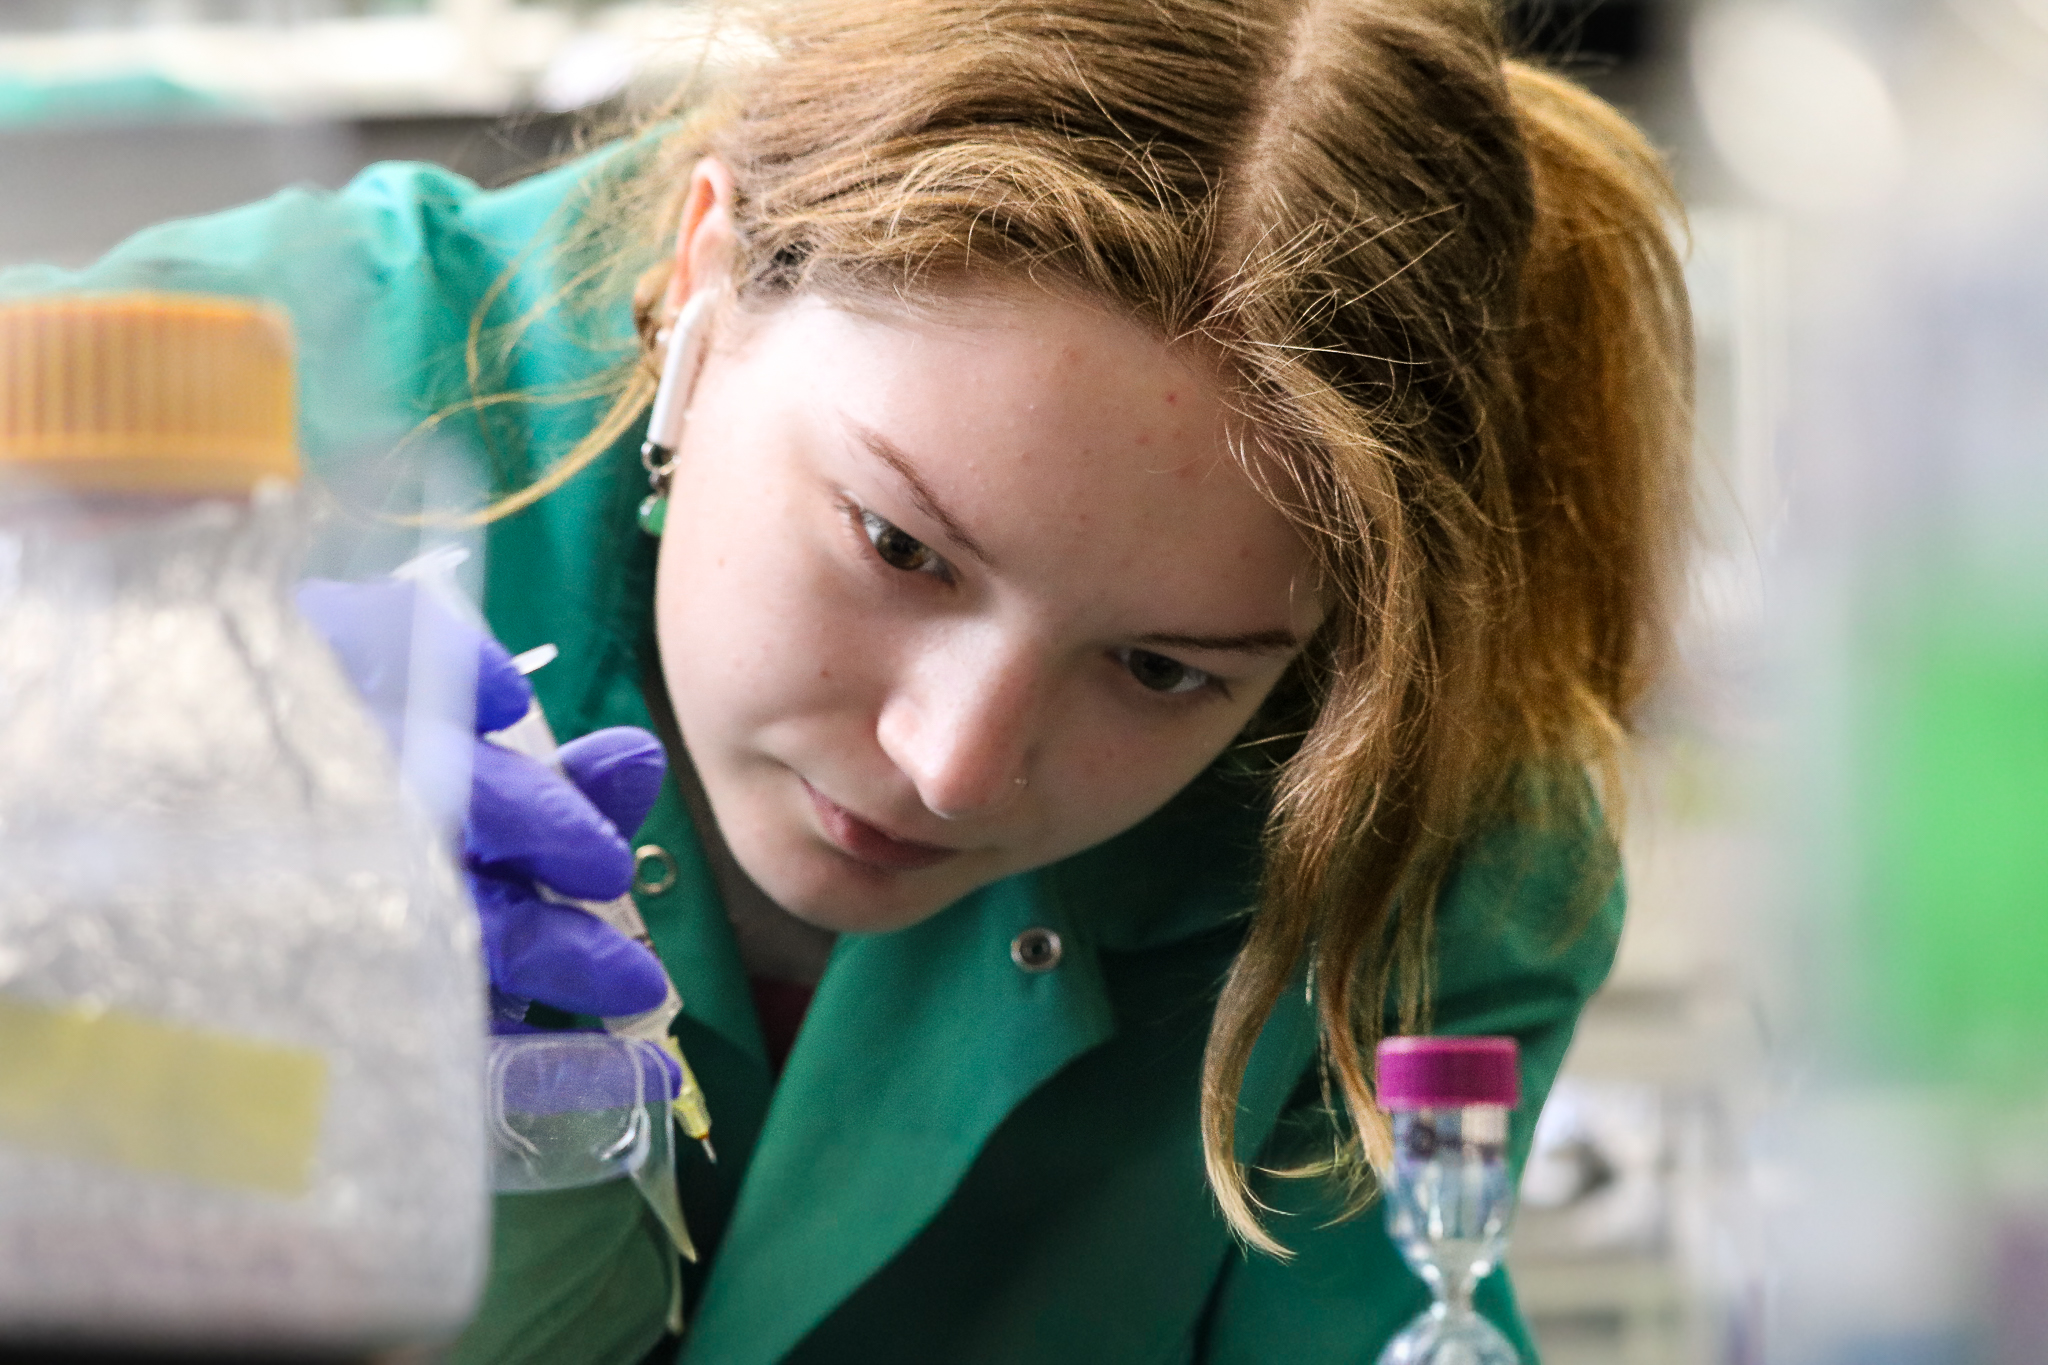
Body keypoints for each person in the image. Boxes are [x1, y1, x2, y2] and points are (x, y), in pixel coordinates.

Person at [6, 0, 1690, 1360]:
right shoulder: (231, 422)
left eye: (1164, 669)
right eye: (899, 547)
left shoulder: (1406, 804)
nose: (954, 765)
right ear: (708, 280)